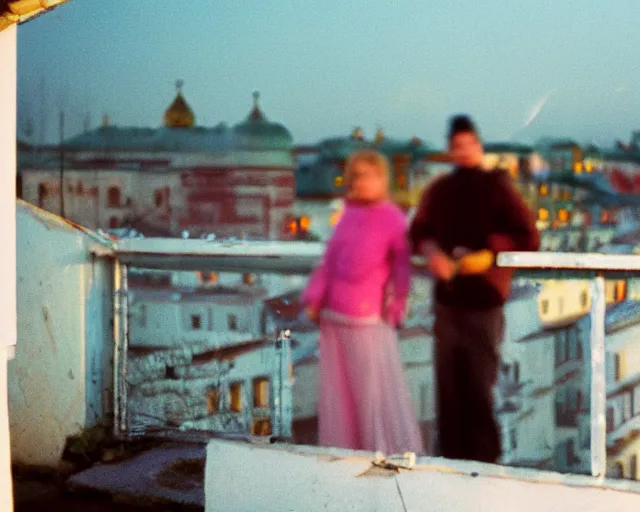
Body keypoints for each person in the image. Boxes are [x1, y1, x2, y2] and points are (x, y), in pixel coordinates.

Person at [409, 115, 540, 463]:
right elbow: (418, 232)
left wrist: (487, 256)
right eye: (457, 146)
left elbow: (528, 238)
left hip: (484, 300)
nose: (464, 152)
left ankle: (483, 472)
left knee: (479, 391)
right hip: (448, 301)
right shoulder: (440, 191)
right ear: (451, 150)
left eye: (470, 145)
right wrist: (431, 251)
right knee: (449, 393)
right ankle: (451, 470)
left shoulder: (497, 187)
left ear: (479, 147)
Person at [303, 149, 424, 455]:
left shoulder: (392, 217)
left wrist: (397, 303)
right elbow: (329, 262)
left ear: (382, 179)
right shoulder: (347, 215)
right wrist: (314, 297)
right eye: (355, 175)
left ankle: (380, 454)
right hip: (334, 317)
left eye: (367, 175)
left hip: (368, 318)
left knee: (372, 395)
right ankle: (345, 455)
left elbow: (402, 266)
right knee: (340, 395)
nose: (360, 181)